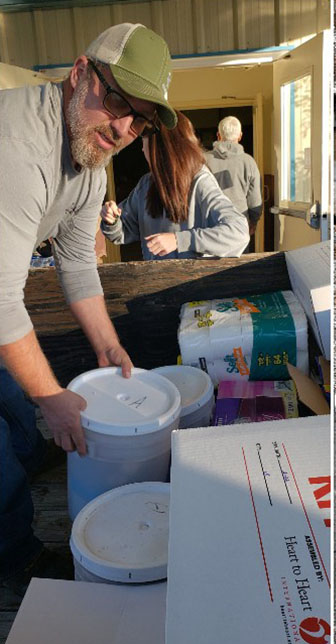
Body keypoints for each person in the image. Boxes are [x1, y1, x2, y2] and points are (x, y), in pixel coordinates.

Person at [0, 23, 175, 596]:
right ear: (80, 73)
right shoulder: (20, 149)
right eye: (117, 101)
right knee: (6, 455)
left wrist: (107, 346)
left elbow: (76, 259)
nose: (123, 127)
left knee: (26, 426)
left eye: (140, 118)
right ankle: (17, 559)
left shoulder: (90, 156)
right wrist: (52, 398)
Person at [100, 112, 249, 259]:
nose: (142, 149)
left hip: (193, 281)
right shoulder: (146, 184)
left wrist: (179, 240)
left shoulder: (199, 181)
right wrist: (112, 221)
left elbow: (238, 233)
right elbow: (123, 232)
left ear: (160, 147)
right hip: (153, 281)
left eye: (144, 142)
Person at [205, 115, 263, 239]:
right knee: (238, 258)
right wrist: (253, 221)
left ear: (218, 135)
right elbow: (255, 199)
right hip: (239, 224)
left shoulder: (203, 160)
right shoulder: (249, 162)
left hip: (209, 224)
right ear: (240, 136)